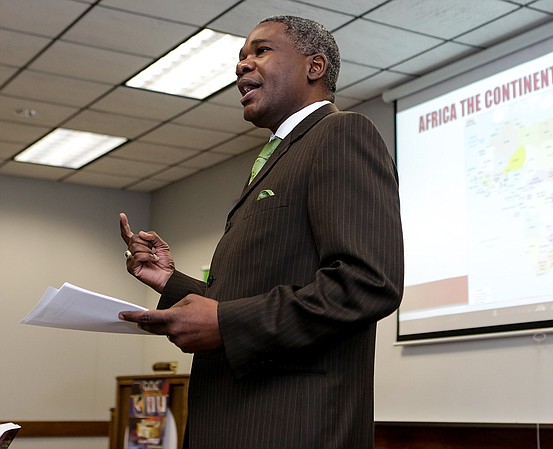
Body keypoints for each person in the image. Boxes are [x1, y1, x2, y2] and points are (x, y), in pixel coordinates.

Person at [118, 15, 404, 449]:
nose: (241, 65)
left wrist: (227, 323)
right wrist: (170, 282)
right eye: (240, 56)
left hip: (289, 427)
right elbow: (249, 297)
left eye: (261, 51)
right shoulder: (280, 157)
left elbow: (367, 283)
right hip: (230, 419)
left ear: (315, 67)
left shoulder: (342, 133)